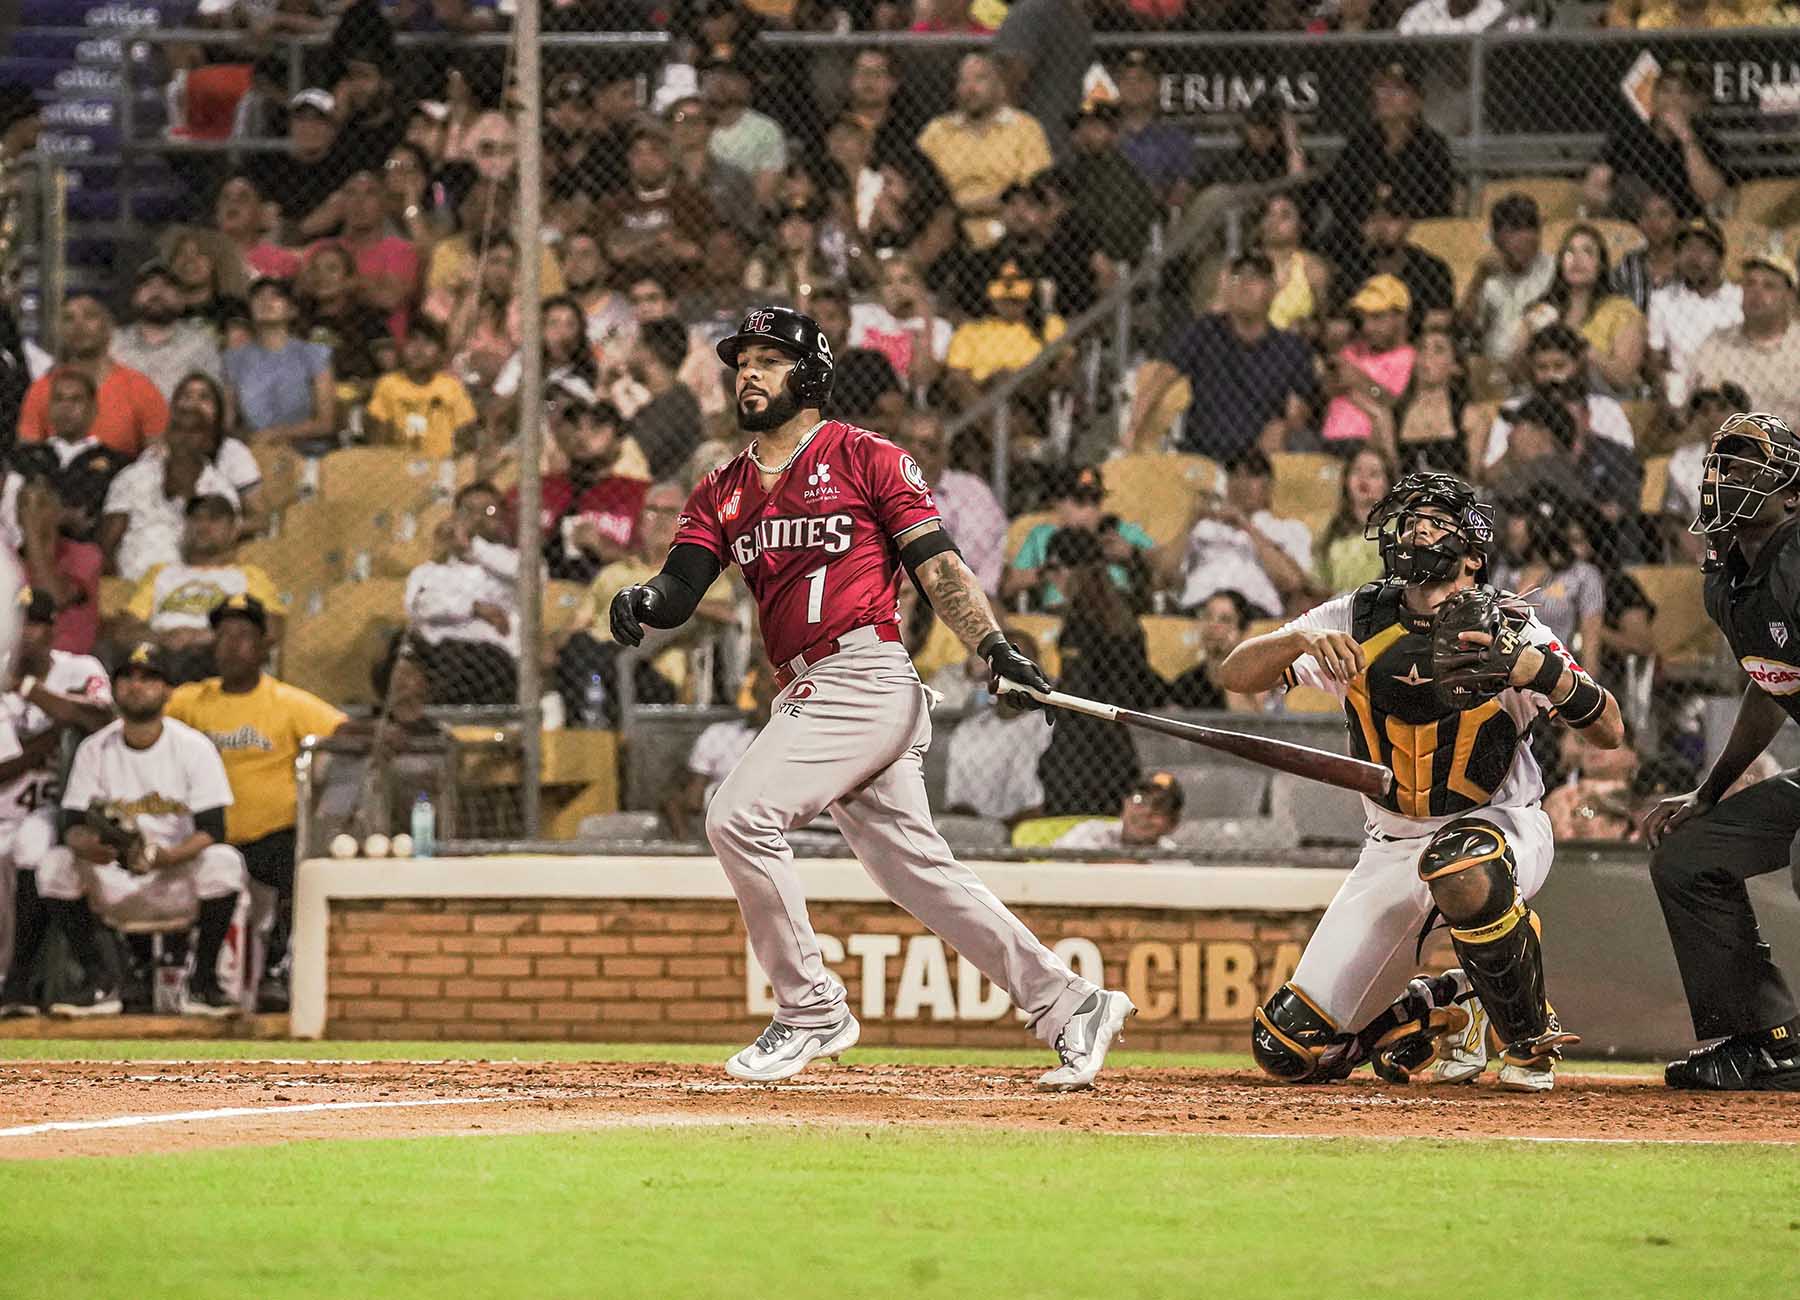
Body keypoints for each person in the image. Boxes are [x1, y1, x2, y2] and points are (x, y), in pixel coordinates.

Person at [609, 304, 1135, 1088]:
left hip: (864, 676)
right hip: (810, 689)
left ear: (811, 374)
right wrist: (646, 599)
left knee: (738, 816)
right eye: (742, 361)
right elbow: (684, 583)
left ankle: (809, 1006)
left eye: (769, 360)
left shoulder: (867, 457)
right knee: (915, 873)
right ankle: (1069, 1004)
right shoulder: (722, 487)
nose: (748, 373)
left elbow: (940, 565)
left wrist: (995, 648)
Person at [1216, 472, 1625, 1092]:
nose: (1415, 531)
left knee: (1460, 862)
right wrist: (1297, 636)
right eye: (1410, 521)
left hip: (1498, 829)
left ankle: (1525, 1040)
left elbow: (1611, 732)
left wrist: (1542, 673)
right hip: (1392, 846)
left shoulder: (1515, 628)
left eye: (1434, 523)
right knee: (1287, 1047)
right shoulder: (1351, 614)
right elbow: (1234, 676)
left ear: (1472, 555)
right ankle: (1434, 999)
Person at [1642, 412, 1800, 1090]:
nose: (1726, 475)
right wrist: (1708, 794)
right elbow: (1771, 685)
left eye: (1746, 466)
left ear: (1792, 494)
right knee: (1688, 853)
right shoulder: (1726, 576)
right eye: (1722, 464)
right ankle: (1765, 1040)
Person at [35, 642, 248, 1018]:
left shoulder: (193, 748)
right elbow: (71, 825)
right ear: (115, 689)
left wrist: (164, 857)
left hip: (173, 876)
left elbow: (213, 829)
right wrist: (89, 848)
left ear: (168, 690)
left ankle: (202, 985)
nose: (136, 686)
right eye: (127, 677)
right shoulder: (94, 749)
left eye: (150, 678)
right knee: (54, 865)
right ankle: (101, 983)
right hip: (116, 876)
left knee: (224, 862)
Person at [167, 594, 345, 1012]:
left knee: (300, 868)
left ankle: (277, 970)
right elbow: (144, 721)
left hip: (267, 838)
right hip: (202, 838)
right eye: (223, 635)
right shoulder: (191, 701)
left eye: (243, 635)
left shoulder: (286, 702)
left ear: (265, 646)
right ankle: (173, 974)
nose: (231, 645)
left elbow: (344, 730)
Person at [0, 589, 114, 1018]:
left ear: (51, 630)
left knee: (31, 848)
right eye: (19, 623)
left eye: (36, 623)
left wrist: (29, 689)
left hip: (54, 809)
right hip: (4, 810)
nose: (27, 634)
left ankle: (17, 983)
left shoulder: (79, 668)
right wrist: (52, 736)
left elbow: (102, 719)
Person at [1125, 252, 1316, 459]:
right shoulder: (1205, 331)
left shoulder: (1291, 347)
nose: (1244, 284)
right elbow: (1162, 376)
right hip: (1202, 455)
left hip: (1258, 462)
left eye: (1255, 278)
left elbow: (1300, 409)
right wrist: (1133, 427)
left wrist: (1284, 426)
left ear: (1272, 290)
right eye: (1237, 277)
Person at [1035, 527, 1167, 816]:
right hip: (1117, 748)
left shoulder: (1080, 623)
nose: (1053, 580)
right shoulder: (1123, 617)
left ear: (1071, 570)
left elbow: (1077, 694)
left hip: (1080, 756)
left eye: (1055, 569)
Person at [119, 494, 286, 682]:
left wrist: (204, 637)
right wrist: (163, 638)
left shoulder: (249, 576)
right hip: (159, 652)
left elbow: (271, 630)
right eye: (196, 519)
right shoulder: (160, 573)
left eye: (214, 519)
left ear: (233, 530)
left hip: (215, 653)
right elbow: (125, 630)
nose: (203, 526)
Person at [917, 52, 1054, 252]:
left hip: (1009, 231)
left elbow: (1031, 193)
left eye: (980, 78)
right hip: (945, 232)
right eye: (963, 80)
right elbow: (919, 187)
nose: (970, 88)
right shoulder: (937, 131)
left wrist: (960, 206)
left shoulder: (1025, 128)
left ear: (1000, 85)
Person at [515, 379, 647, 585]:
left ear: (619, 435)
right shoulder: (538, 488)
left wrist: (609, 550)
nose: (582, 434)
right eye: (574, 424)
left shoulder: (640, 494)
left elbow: (654, 566)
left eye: (596, 425)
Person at [403, 482, 521, 706]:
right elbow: (420, 606)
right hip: (438, 658)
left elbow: (526, 576)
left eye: (489, 511)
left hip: (494, 662)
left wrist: (471, 548)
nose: (477, 518)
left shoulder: (516, 563)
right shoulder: (428, 571)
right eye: (467, 511)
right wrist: (474, 608)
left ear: (503, 518)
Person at [98, 409, 241, 581]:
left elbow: (223, 551)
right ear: (166, 435)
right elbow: (107, 543)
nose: (183, 438)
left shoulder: (220, 489)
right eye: (177, 429)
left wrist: (189, 499)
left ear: (208, 441)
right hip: (132, 586)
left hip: (190, 586)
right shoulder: (134, 476)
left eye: (193, 431)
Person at [17, 294, 168, 457]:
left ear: (109, 325)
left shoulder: (141, 389)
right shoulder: (42, 389)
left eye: (90, 316)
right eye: (69, 319)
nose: (78, 326)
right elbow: (27, 457)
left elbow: (158, 460)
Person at [1174, 448, 1314, 619]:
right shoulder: (1203, 527)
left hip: (1252, 612)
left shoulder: (1288, 529)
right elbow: (1163, 575)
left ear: (1269, 485)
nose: (1242, 483)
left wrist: (1245, 525)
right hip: (1199, 607)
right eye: (1235, 475)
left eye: (1252, 475)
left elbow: (1292, 583)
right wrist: (1190, 522)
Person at [1510, 224, 1646, 397]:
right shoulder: (1540, 310)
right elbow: (1513, 375)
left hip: (1602, 402)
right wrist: (1527, 334)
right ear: (1560, 262)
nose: (1577, 259)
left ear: (1601, 264)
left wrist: (1577, 343)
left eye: (1587, 252)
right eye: (1569, 252)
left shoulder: (1623, 311)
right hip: (1545, 401)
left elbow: (1622, 377)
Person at [1585, 60, 1731, 219]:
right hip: (1635, 223)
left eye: (1683, 93)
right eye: (1665, 91)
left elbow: (1712, 195)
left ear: (1696, 103)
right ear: (1654, 98)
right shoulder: (1628, 135)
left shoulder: (1706, 140)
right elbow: (1594, 187)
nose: (1672, 100)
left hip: (1685, 225)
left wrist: (1686, 138)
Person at [1319, 62, 1454, 227]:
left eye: (1398, 88)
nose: (1387, 95)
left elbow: (1437, 198)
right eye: (1381, 87)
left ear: (1417, 101)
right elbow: (1339, 192)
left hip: (1415, 228)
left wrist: (1400, 216)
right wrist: (1366, 217)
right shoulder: (1360, 142)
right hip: (1362, 228)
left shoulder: (1432, 145)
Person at [1006, 465, 1154, 612]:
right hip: (1056, 614)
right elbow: (1010, 585)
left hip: (1114, 615)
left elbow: (1162, 569)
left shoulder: (1120, 532)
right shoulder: (1042, 536)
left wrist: (1132, 555)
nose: (1091, 510)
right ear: (1058, 503)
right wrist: (1046, 571)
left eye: (1095, 500)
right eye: (1081, 502)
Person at [943, 634, 1053, 825]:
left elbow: (1037, 808)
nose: (1016, 670)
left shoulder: (1048, 728)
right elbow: (957, 804)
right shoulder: (969, 730)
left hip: (1028, 830)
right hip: (978, 833)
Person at [897, 410, 1006, 595]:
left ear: (944, 451)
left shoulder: (972, 491)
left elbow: (980, 554)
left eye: (928, 445)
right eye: (908, 443)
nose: (916, 453)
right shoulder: (874, 493)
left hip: (966, 597)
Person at [662, 668, 778, 840]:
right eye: (766, 686)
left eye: (776, 689)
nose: (770, 696)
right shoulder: (718, 734)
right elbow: (691, 798)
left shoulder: (806, 739)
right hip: (726, 824)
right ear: (753, 690)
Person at [1689, 251, 1800, 429]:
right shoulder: (1717, 343)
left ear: (1789, 296)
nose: (1756, 292)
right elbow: (1693, 407)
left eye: (1769, 286)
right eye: (1749, 284)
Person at [222, 278, 336, 445]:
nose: (266, 301)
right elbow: (227, 422)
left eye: (275, 296)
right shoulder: (233, 358)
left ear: (292, 310)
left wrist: (276, 434)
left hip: (307, 451)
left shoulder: (313, 354)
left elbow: (325, 423)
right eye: (258, 297)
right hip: (252, 450)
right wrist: (249, 439)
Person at [1494, 495, 1606, 663]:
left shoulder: (1581, 575)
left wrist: (1583, 687)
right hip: (1503, 673)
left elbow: (1591, 651)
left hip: (1555, 674)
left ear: (1540, 528)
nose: (1510, 525)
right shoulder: (1504, 572)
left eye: (1519, 518)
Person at [1648, 218, 1743, 412]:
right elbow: (1654, 358)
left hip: (1733, 388)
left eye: (1704, 249)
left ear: (1720, 257)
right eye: (1686, 248)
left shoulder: (1740, 298)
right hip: (1682, 391)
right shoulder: (1662, 300)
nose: (1694, 257)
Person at [1328, 193, 1455, 336]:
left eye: (1392, 218)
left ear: (1408, 223)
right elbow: (1336, 325)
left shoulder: (1432, 269)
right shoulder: (1349, 270)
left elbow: (1440, 321)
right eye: (1373, 218)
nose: (1381, 226)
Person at [1322, 275, 1418, 451]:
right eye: (1363, 318)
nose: (1367, 327)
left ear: (1401, 317)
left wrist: (1360, 381)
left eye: (1377, 317)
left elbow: (1396, 405)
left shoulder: (1410, 358)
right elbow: (1328, 391)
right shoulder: (1351, 350)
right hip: (1329, 440)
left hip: (1370, 446)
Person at [1459, 193, 1555, 369]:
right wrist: (1479, 280)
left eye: (1530, 229)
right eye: (1514, 230)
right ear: (1496, 238)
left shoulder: (1552, 269)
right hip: (1493, 365)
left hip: (1541, 363)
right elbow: (1465, 328)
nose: (1524, 239)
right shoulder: (1486, 276)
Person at [991, 0, 1092, 162]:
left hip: (1044, 136)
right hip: (1048, 134)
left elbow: (1012, 72)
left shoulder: (1035, 11)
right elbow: (1011, 71)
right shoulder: (1037, 11)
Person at [109, 260, 223, 401]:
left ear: (181, 300)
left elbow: (215, 401)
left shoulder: (200, 344)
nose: (157, 292)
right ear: (134, 297)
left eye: (167, 285)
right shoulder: (111, 343)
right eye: (148, 284)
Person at [364, 319, 477, 458]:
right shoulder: (388, 385)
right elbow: (378, 439)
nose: (419, 349)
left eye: (428, 342)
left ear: (441, 353)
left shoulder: (451, 387)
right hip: (399, 464)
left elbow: (466, 434)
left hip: (440, 465)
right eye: (412, 340)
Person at [1112, 49, 1195, 208]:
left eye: (1142, 79)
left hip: (1161, 212)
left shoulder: (1175, 138)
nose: (1133, 86)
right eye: (1125, 80)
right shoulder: (1106, 137)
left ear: (1156, 87)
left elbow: (1184, 186)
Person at [626, 318, 705, 482]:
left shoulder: (674, 406)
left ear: (648, 353)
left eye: (635, 347)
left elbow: (634, 457)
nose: (628, 354)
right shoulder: (672, 400)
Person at [1168, 589, 1264, 711]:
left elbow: (1247, 721)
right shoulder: (1187, 683)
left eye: (1225, 620)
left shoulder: (1257, 680)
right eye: (1208, 617)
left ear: (1243, 632)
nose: (1212, 626)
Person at [1314, 447, 1393, 595]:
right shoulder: (1331, 529)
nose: (1364, 479)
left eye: (1373, 474)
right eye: (1357, 471)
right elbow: (1318, 582)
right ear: (1346, 480)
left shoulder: (1398, 526)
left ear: (1388, 484)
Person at [1053, 771, 1184, 852]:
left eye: (1159, 808)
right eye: (1140, 800)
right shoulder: (1090, 831)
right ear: (1125, 803)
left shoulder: (1173, 861)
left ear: (1172, 824)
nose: (1146, 812)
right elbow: (1055, 863)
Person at [1610, 189, 1681, 314]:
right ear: (1639, 223)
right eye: (1646, 215)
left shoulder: (1689, 266)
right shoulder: (1628, 264)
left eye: (1663, 214)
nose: (1653, 222)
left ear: (1678, 221)